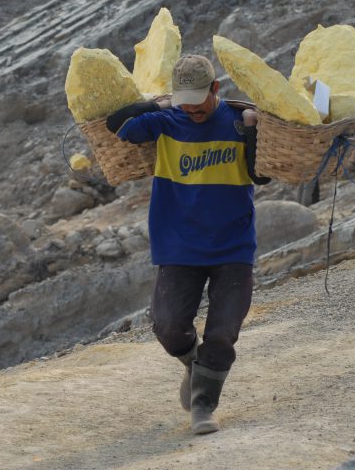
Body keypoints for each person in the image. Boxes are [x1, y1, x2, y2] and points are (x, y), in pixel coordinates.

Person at [106, 54, 270, 435]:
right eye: (185, 102)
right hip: (179, 244)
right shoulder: (165, 121)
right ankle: (194, 364)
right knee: (167, 326)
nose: (192, 110)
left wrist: (252, 130)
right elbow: (118, 124)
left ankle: (203, 404)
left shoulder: (238, 119)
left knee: (223, 332)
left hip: (232, 245)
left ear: (215, 88)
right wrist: (157, 104)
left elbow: (260, 176)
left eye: (199, 101)